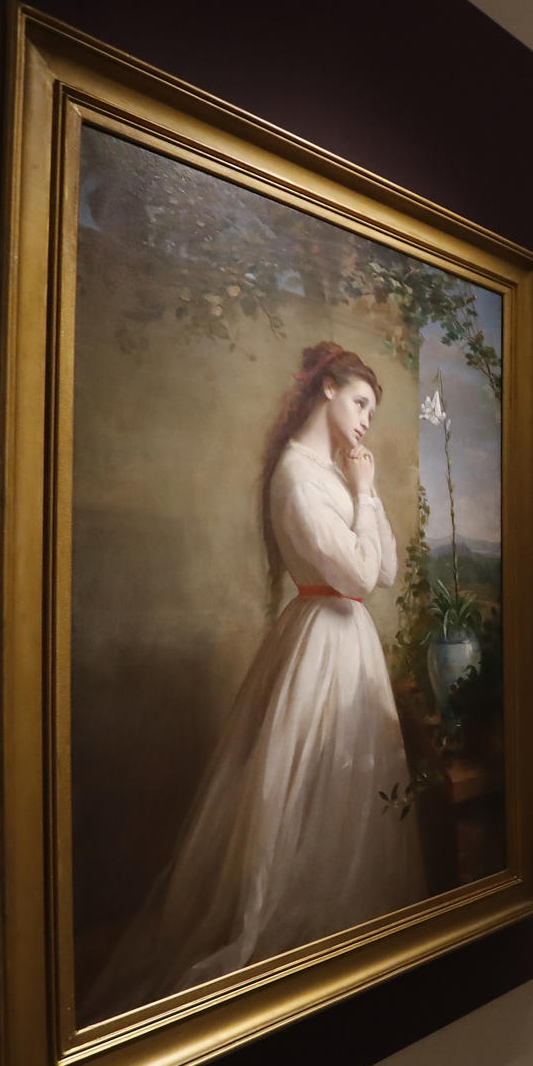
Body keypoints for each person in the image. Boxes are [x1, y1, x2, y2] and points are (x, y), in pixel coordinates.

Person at [86, 342, 427, 1021]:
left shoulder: (332, 473)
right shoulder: (298, 478)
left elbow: (383, 567)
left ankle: (353, 941)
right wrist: (361, 493)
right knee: (306, 795)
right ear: (327, 388)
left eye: (372, 410)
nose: (366, 420)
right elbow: (357, 577)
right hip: (322, 646)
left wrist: (368, 492)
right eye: (360, 401)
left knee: (354, 789)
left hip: (347, 640)